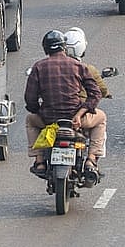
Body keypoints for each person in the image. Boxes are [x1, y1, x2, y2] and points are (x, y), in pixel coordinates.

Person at [26, 30, 106, 182]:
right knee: (101, 118)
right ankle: (91, 159)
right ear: (64, 47)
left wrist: (40, 111)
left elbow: (30, 100)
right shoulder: (78, 66)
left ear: (46, 49)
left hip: (49, 121)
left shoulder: (38, 67)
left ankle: (39, 160)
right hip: (76, 121)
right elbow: (96, 94)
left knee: (30, 120)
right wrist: (79, 114)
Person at [61, 27, 112, 100]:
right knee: (100, 112)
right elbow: (102, 89)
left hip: (51, 108)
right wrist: (106, 94)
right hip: (79, 107)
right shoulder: (87, 69)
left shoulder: (50, 69)